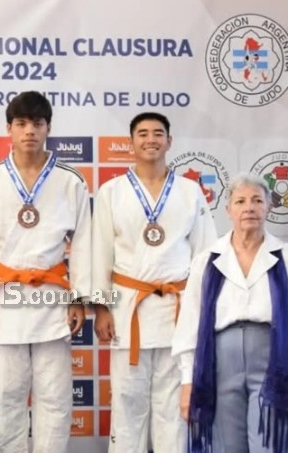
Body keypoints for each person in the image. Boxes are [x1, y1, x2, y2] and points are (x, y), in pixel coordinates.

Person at [0, 91, 90, 453]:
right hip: (6, 299)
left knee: (55, 397)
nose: (30, 131)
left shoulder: (70, 181)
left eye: (37, 124)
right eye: (22, 124)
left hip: (54, 298)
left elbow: (86, 245)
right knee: (6, 396)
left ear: (48, 129)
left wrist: (81, 299)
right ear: (8, 129)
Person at [92, 112, 217, 453]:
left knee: (173, 406)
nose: (151, 139)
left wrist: (202, 313)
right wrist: (101, 309)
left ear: (169, 141)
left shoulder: (191, 191)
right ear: (131, 142)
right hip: (127, 310)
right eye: (143, 133)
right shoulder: (111, 192)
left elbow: (205, 255)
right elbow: (99, 254)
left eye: (158, 133)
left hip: (178, 312)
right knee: (127, 404)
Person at [172, 174, 288, 453]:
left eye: (257, 200)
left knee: (269, 444)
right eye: (241, 201)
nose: (249, 207)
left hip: (272, 360)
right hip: (220, 364)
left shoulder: (285, 256)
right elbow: (190, 324)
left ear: (268, 208)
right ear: (229, 210)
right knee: (226, 446)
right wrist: (188, 382)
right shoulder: (207, 260)